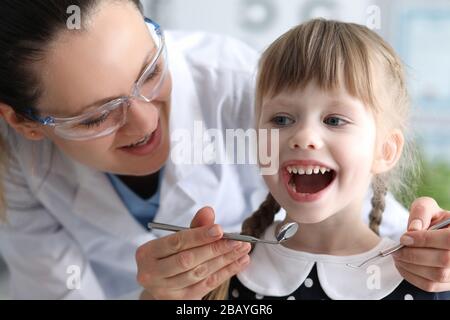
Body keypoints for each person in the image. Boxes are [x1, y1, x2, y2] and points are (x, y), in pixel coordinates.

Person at [0, 1, 448, 300]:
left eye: (150, 70)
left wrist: (432, 250)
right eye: (96, 116)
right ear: (24, 123)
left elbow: (369, 211)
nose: (145, 121)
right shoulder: (20, 161)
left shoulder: (240, 81)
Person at [207, 19, 450, 300]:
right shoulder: (220, 274)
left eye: (334, 120)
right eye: (281, 119)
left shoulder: (429, 282)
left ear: (385, 150)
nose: (303, 136)